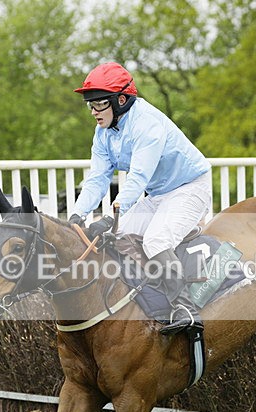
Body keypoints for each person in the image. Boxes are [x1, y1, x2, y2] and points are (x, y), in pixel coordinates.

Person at [68, 62, 213, 336]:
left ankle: (186, 308)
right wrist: (76, 215)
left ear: (120, 100)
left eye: (99, 104)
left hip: (190, 187)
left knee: (156, 240)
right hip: (159, 194)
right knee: (119, 235)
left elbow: (138, 178)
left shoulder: (147, 124)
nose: (93, 112)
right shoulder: (103, 132)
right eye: (90, 105)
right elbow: (97, 178)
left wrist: (109, 216)